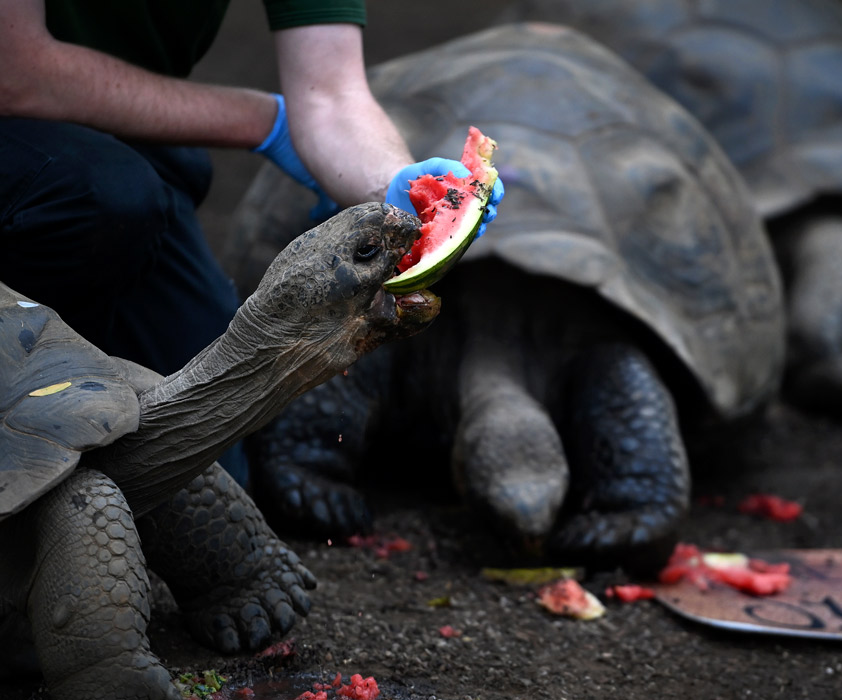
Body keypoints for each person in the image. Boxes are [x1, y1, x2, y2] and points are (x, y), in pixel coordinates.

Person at [0, 1, 503, 483]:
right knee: (108, 194)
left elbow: (331, 97)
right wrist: (268, 121)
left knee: (201, 459)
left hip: (129, 148)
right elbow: (15, 70)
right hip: (46, 144)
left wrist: (394, 184)